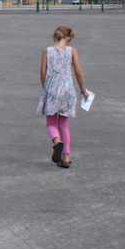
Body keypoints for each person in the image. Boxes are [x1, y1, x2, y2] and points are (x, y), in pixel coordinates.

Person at [36, 26, 88, 169]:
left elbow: (42, 72)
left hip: (52, 90)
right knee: (64, 125)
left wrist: (45, 88)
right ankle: (66, 157)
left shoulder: (47, 51)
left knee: (51, 123)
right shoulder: (72, 51)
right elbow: (77, 71)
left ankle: (57, 141)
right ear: (69, 39)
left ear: (55, 37)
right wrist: (83, 90)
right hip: (68, 91)